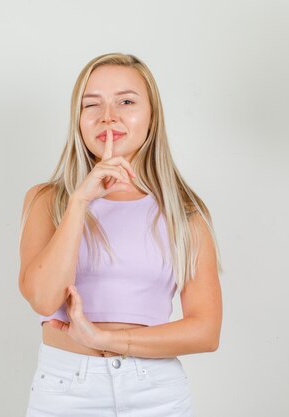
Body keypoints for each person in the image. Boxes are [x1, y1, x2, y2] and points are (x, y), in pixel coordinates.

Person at [18, 52, 223, 417]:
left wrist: (105, 339)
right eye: (91, 105)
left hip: (156, 391)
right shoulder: (48, 201)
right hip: (66, 391)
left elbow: (206, 331)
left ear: (151, 116)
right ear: (78, 120)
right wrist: (81, 199)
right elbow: (44, 299)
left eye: (126, 102)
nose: (107, 116)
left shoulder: (185, 211)